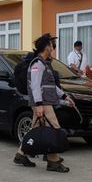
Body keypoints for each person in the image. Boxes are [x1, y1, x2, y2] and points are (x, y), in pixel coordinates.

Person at [13, 33, 75, 173]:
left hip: (44, 102)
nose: (53, 46)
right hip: (43, 103)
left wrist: (65, 96)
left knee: (35, 129)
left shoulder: (45, 63)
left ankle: (20, 155)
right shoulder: (37, 64)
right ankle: (53, 162)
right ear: (46, 47)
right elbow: (35, 86)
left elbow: (51, 86)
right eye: (51, 44)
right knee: (54, 129)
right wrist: (39, 105)